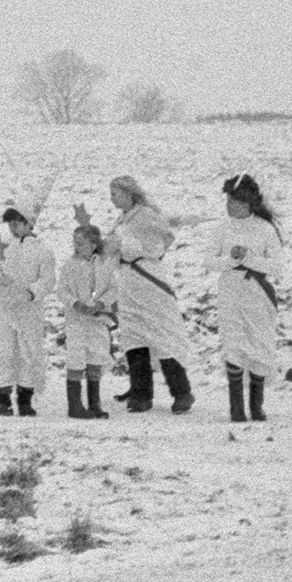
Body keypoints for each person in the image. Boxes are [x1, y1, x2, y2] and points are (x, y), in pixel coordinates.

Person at [106, 176, 194, 413]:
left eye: (115, 194)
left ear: (128, 194)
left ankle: (181, 392)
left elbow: (159, 244)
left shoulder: (146, 215)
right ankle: (141, 393)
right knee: (134, 336)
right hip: (128, 283)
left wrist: (125, 248)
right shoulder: (122, 218)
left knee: (161, 333)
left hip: (147, 280)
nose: (112, 199)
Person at [208, 173, 290, 422]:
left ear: (247, 203)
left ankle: (256, 405)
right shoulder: (222, 228)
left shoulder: (265, 229)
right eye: (227, 201)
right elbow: (208, 261)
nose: (228, 206)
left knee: (258, 344)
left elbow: (277, 266)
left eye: (233, 202)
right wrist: (231, 260)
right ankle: (236, 408)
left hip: (256, 293)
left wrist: (249, 259)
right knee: (233, 343)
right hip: (230, 291)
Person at [0, 183, 56, 416]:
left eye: (17, 223)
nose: (13, 228)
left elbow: (47, 280)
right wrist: (0, 280)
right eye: (10, 224)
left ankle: (25, 398)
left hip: (28, 309)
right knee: (5, 352)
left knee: (28, 351)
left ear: (29, 224)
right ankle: (3, 397)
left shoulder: (43, 250)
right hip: (6, 308)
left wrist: (31, 293)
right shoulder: (5, 247)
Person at [58, 218, 118, 419]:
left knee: (96, 356)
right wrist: (75, 303)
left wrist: (101, 304)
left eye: (81, 243)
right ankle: (74, 406)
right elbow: (62, 291)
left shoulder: (104, 265)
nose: (77, 246)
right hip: (76, 321)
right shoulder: (70, 265)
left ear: (93, 244)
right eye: (75, 242)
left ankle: (94, 404)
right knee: (76, 357)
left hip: (97, 319)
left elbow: (113, 289)